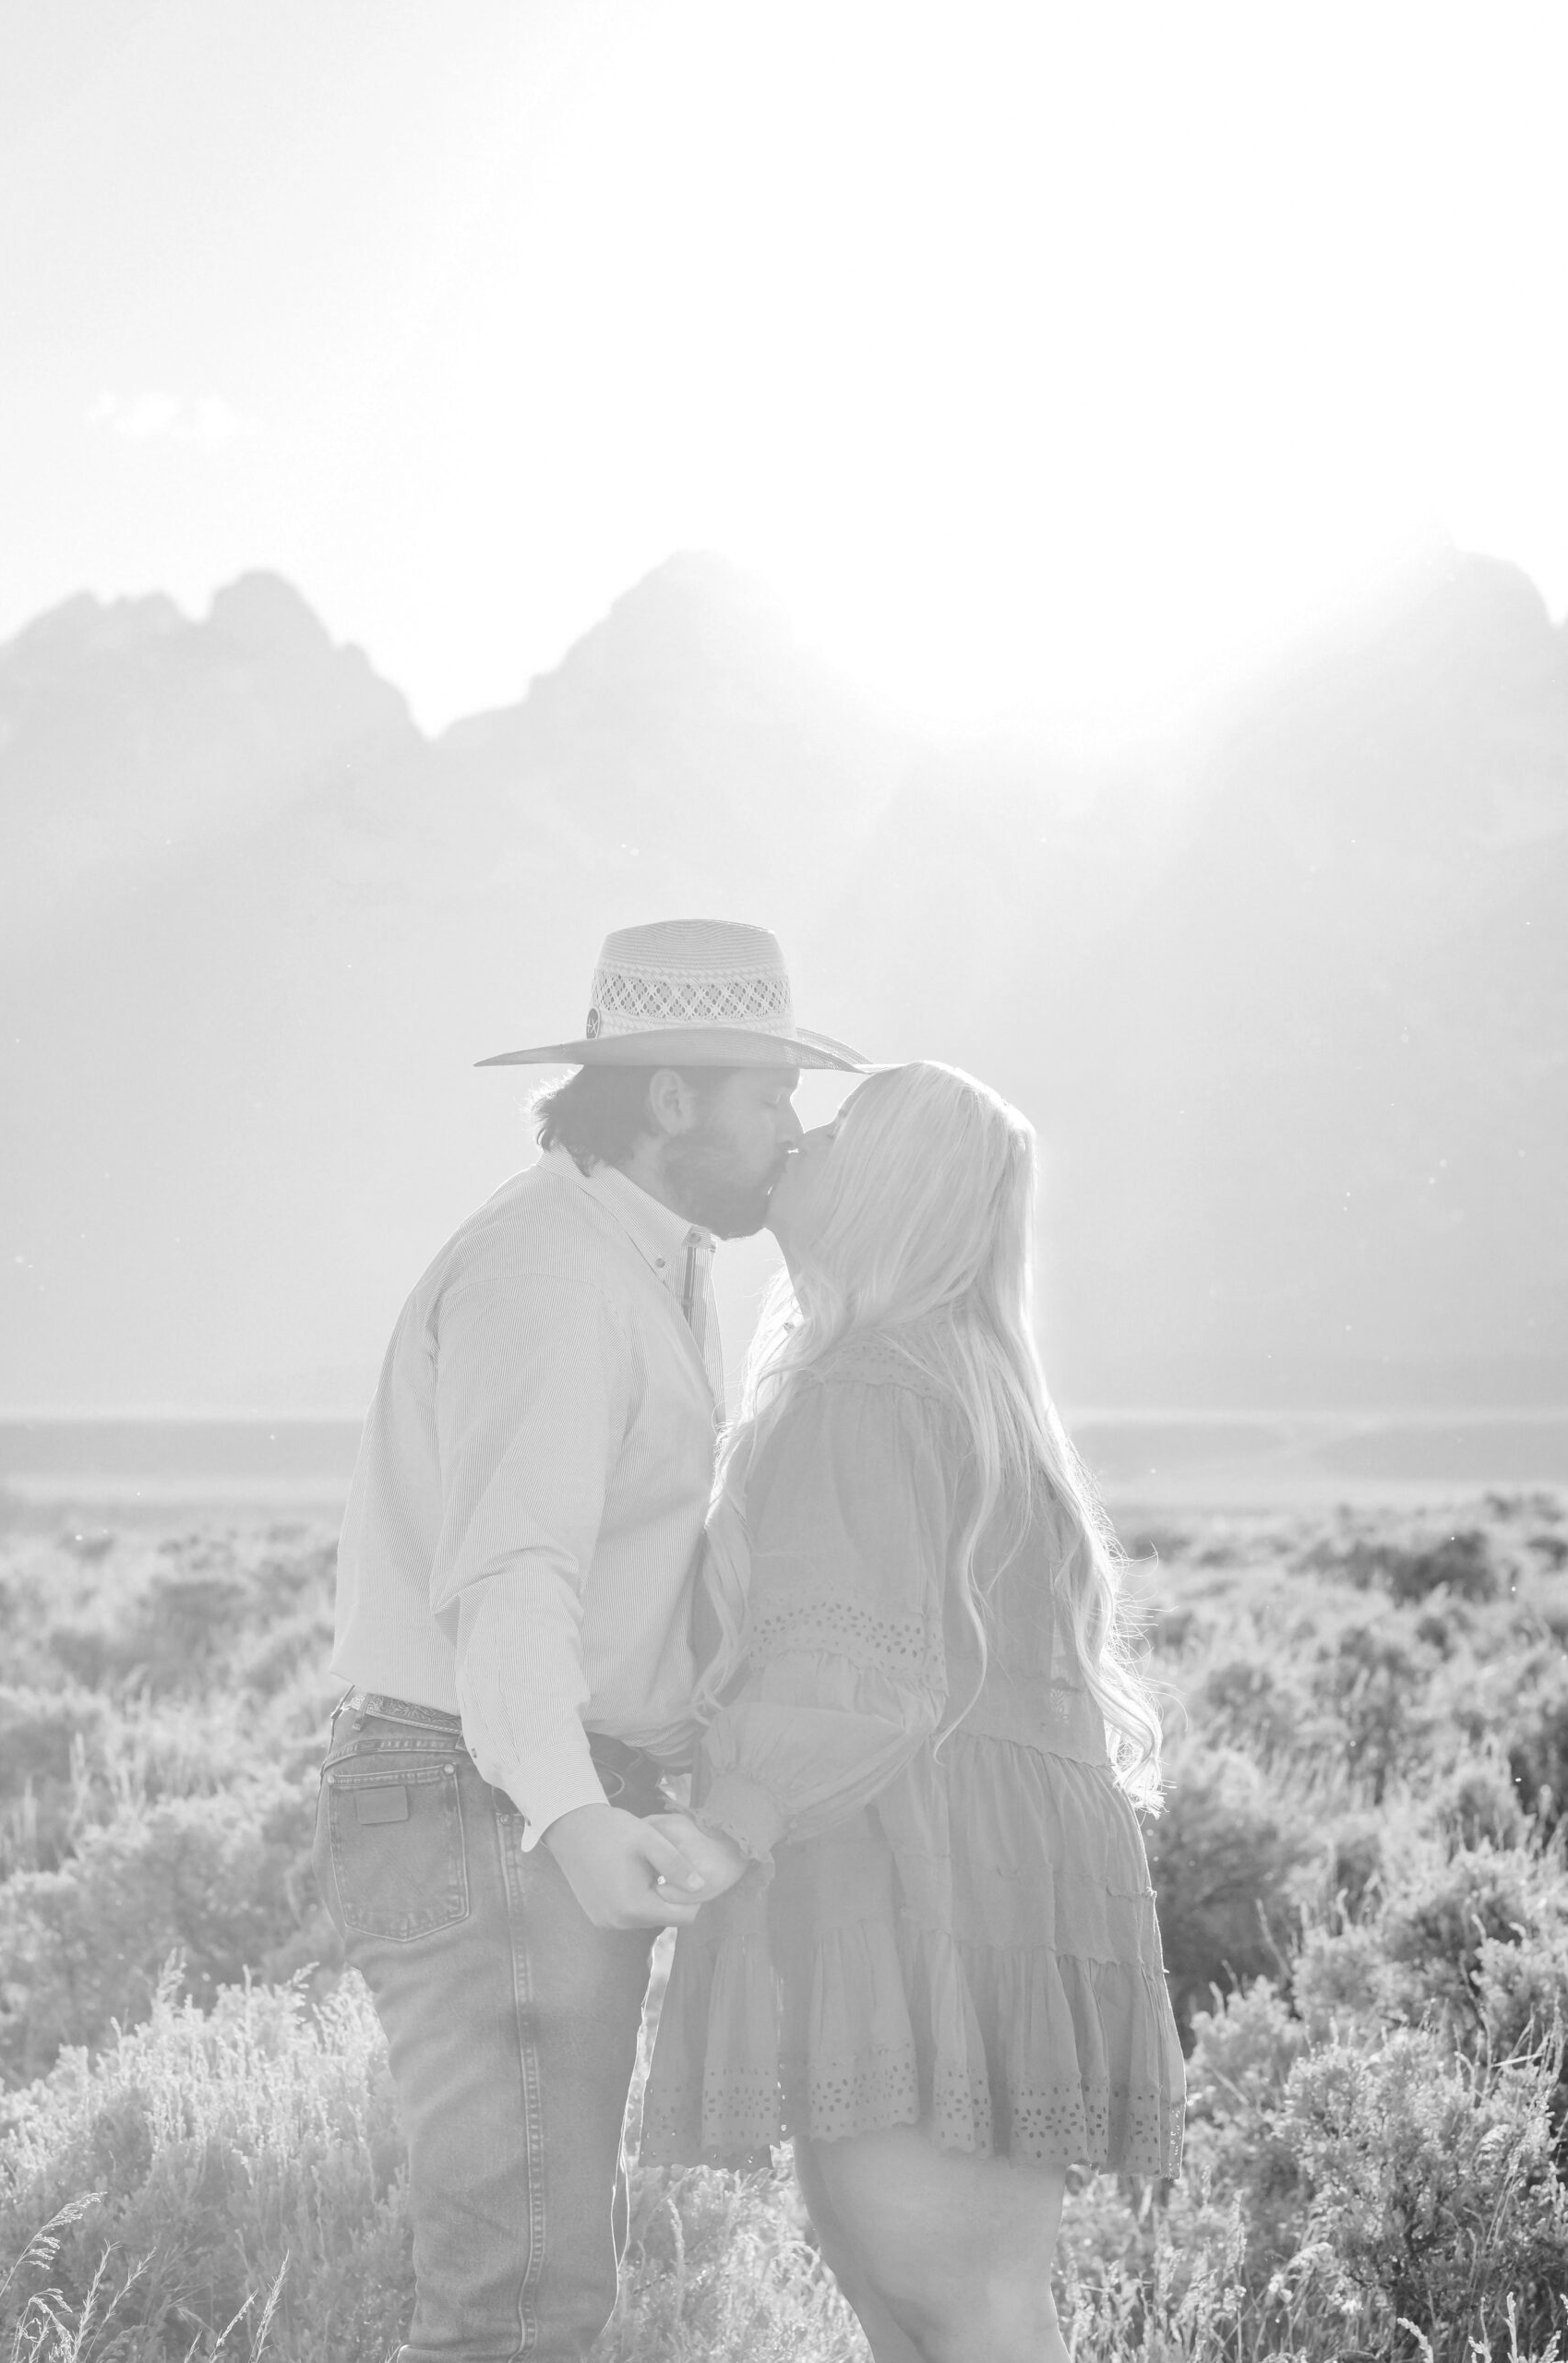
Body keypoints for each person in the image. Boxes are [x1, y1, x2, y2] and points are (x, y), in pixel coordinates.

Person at [312, 918, 865, 2362]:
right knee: (519, 2305)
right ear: (670, 1099)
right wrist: (569, 1812)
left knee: (542, 2283)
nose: (790, 1131)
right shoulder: (552, 1272)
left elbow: (608, 1581)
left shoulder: (640, 1258)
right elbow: (513, 1582)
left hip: (498, 1795)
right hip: (479, 1800)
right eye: (767, 1095)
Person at [640, 1060, 1185, 2363]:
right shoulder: (942, 1375)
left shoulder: (871, 1388)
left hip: (924, 1872)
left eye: (833, 1132)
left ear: (884, 1188)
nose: (798, 1146)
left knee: (952, 2306)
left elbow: (858, 1667)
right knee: (929, 2308)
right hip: (960, 1861)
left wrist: (731, 1820)